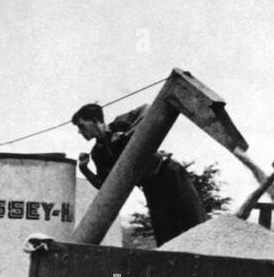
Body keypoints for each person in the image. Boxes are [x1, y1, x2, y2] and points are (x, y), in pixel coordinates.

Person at [71, 102, 205, 245]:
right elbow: (103, 185)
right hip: (151, 187)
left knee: (196, 225)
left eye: (81, 125)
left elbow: (148, 109)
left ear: (95, 121)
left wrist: (127, 134)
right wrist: (85, 169)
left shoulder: (120, 123)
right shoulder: (98, 153)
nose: (80, 131)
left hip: (169, 172)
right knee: (167, 239)